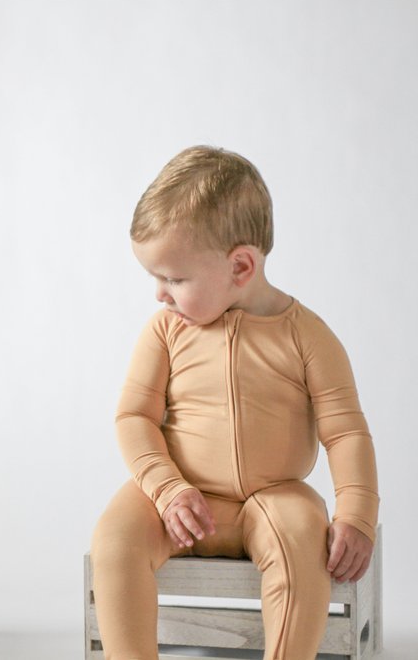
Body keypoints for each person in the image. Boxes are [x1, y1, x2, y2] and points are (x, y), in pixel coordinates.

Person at [90, 146, 379, 659]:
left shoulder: (308, 337)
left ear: (241, 265)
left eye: (175, 278)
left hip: (275, 497)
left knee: (300, 542)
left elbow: (346, 433)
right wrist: (166, 488)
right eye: (155, 278)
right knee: (115, 538)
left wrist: (356, 512)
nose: (160, 294)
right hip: (180, 499)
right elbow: (134, 417)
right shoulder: (165, 332)